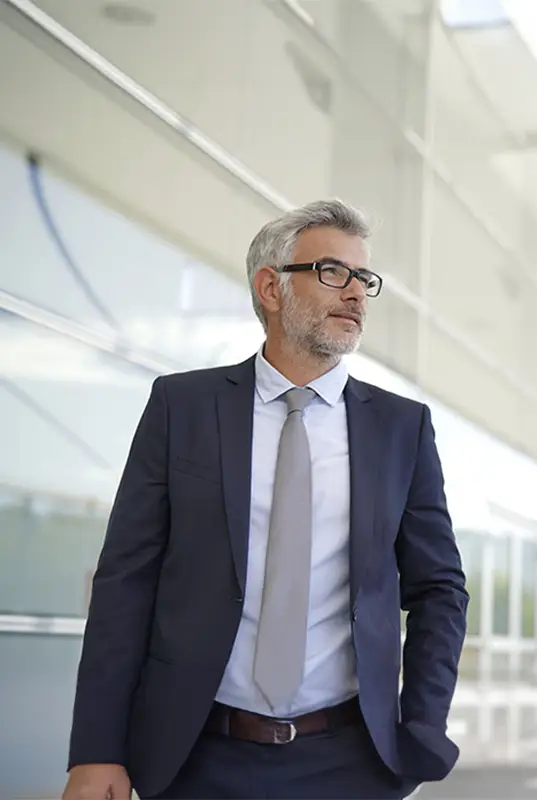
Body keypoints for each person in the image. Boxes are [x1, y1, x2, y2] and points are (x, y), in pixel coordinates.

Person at [62, 199, 469, 800]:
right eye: (334, 272)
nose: (356, 293)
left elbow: (439, 589)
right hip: (193, 757)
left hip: (351, 763)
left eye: (365, 279)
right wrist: (96, 751)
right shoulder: (183, 408)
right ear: (271, 287)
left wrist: (422, 724)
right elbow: (127, 579)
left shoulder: (401, 428)